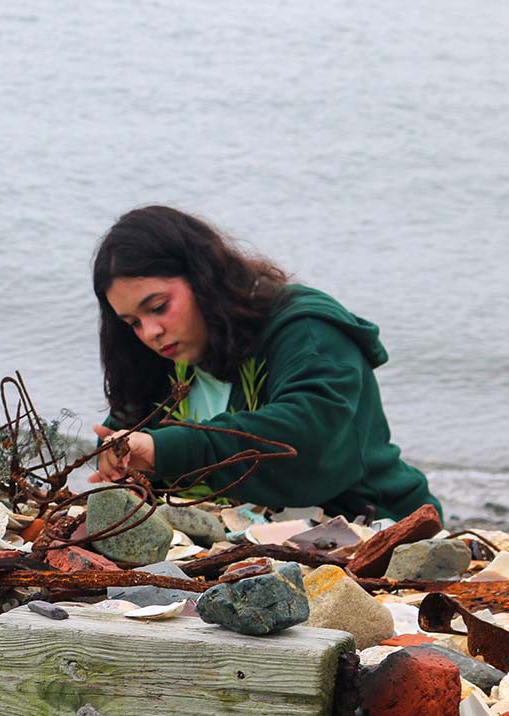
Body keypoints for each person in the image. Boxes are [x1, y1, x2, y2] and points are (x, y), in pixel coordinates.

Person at [87, 205, 439, 521]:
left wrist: (163, 449)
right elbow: (138, 442)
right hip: (253, 541)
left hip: (381, 527)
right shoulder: (163, 358)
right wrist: (125, 466)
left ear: (202, 275)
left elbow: (307, 437)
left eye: (159, 306)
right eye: (132, 322)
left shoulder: (306, 329)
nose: (151, 332)